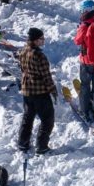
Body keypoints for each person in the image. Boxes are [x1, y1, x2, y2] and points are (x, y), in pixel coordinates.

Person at [4, 25, 56, 153]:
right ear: (35, 40)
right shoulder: (39, 56)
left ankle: (23, 143)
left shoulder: (23, 51)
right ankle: (42, 146)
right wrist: (53, 90)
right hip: (40, 92)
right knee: (47, 119)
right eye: (41, 39)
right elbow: (46, 76)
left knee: (28, 118)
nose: (43, 41)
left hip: (27, 91)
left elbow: (22, 69)